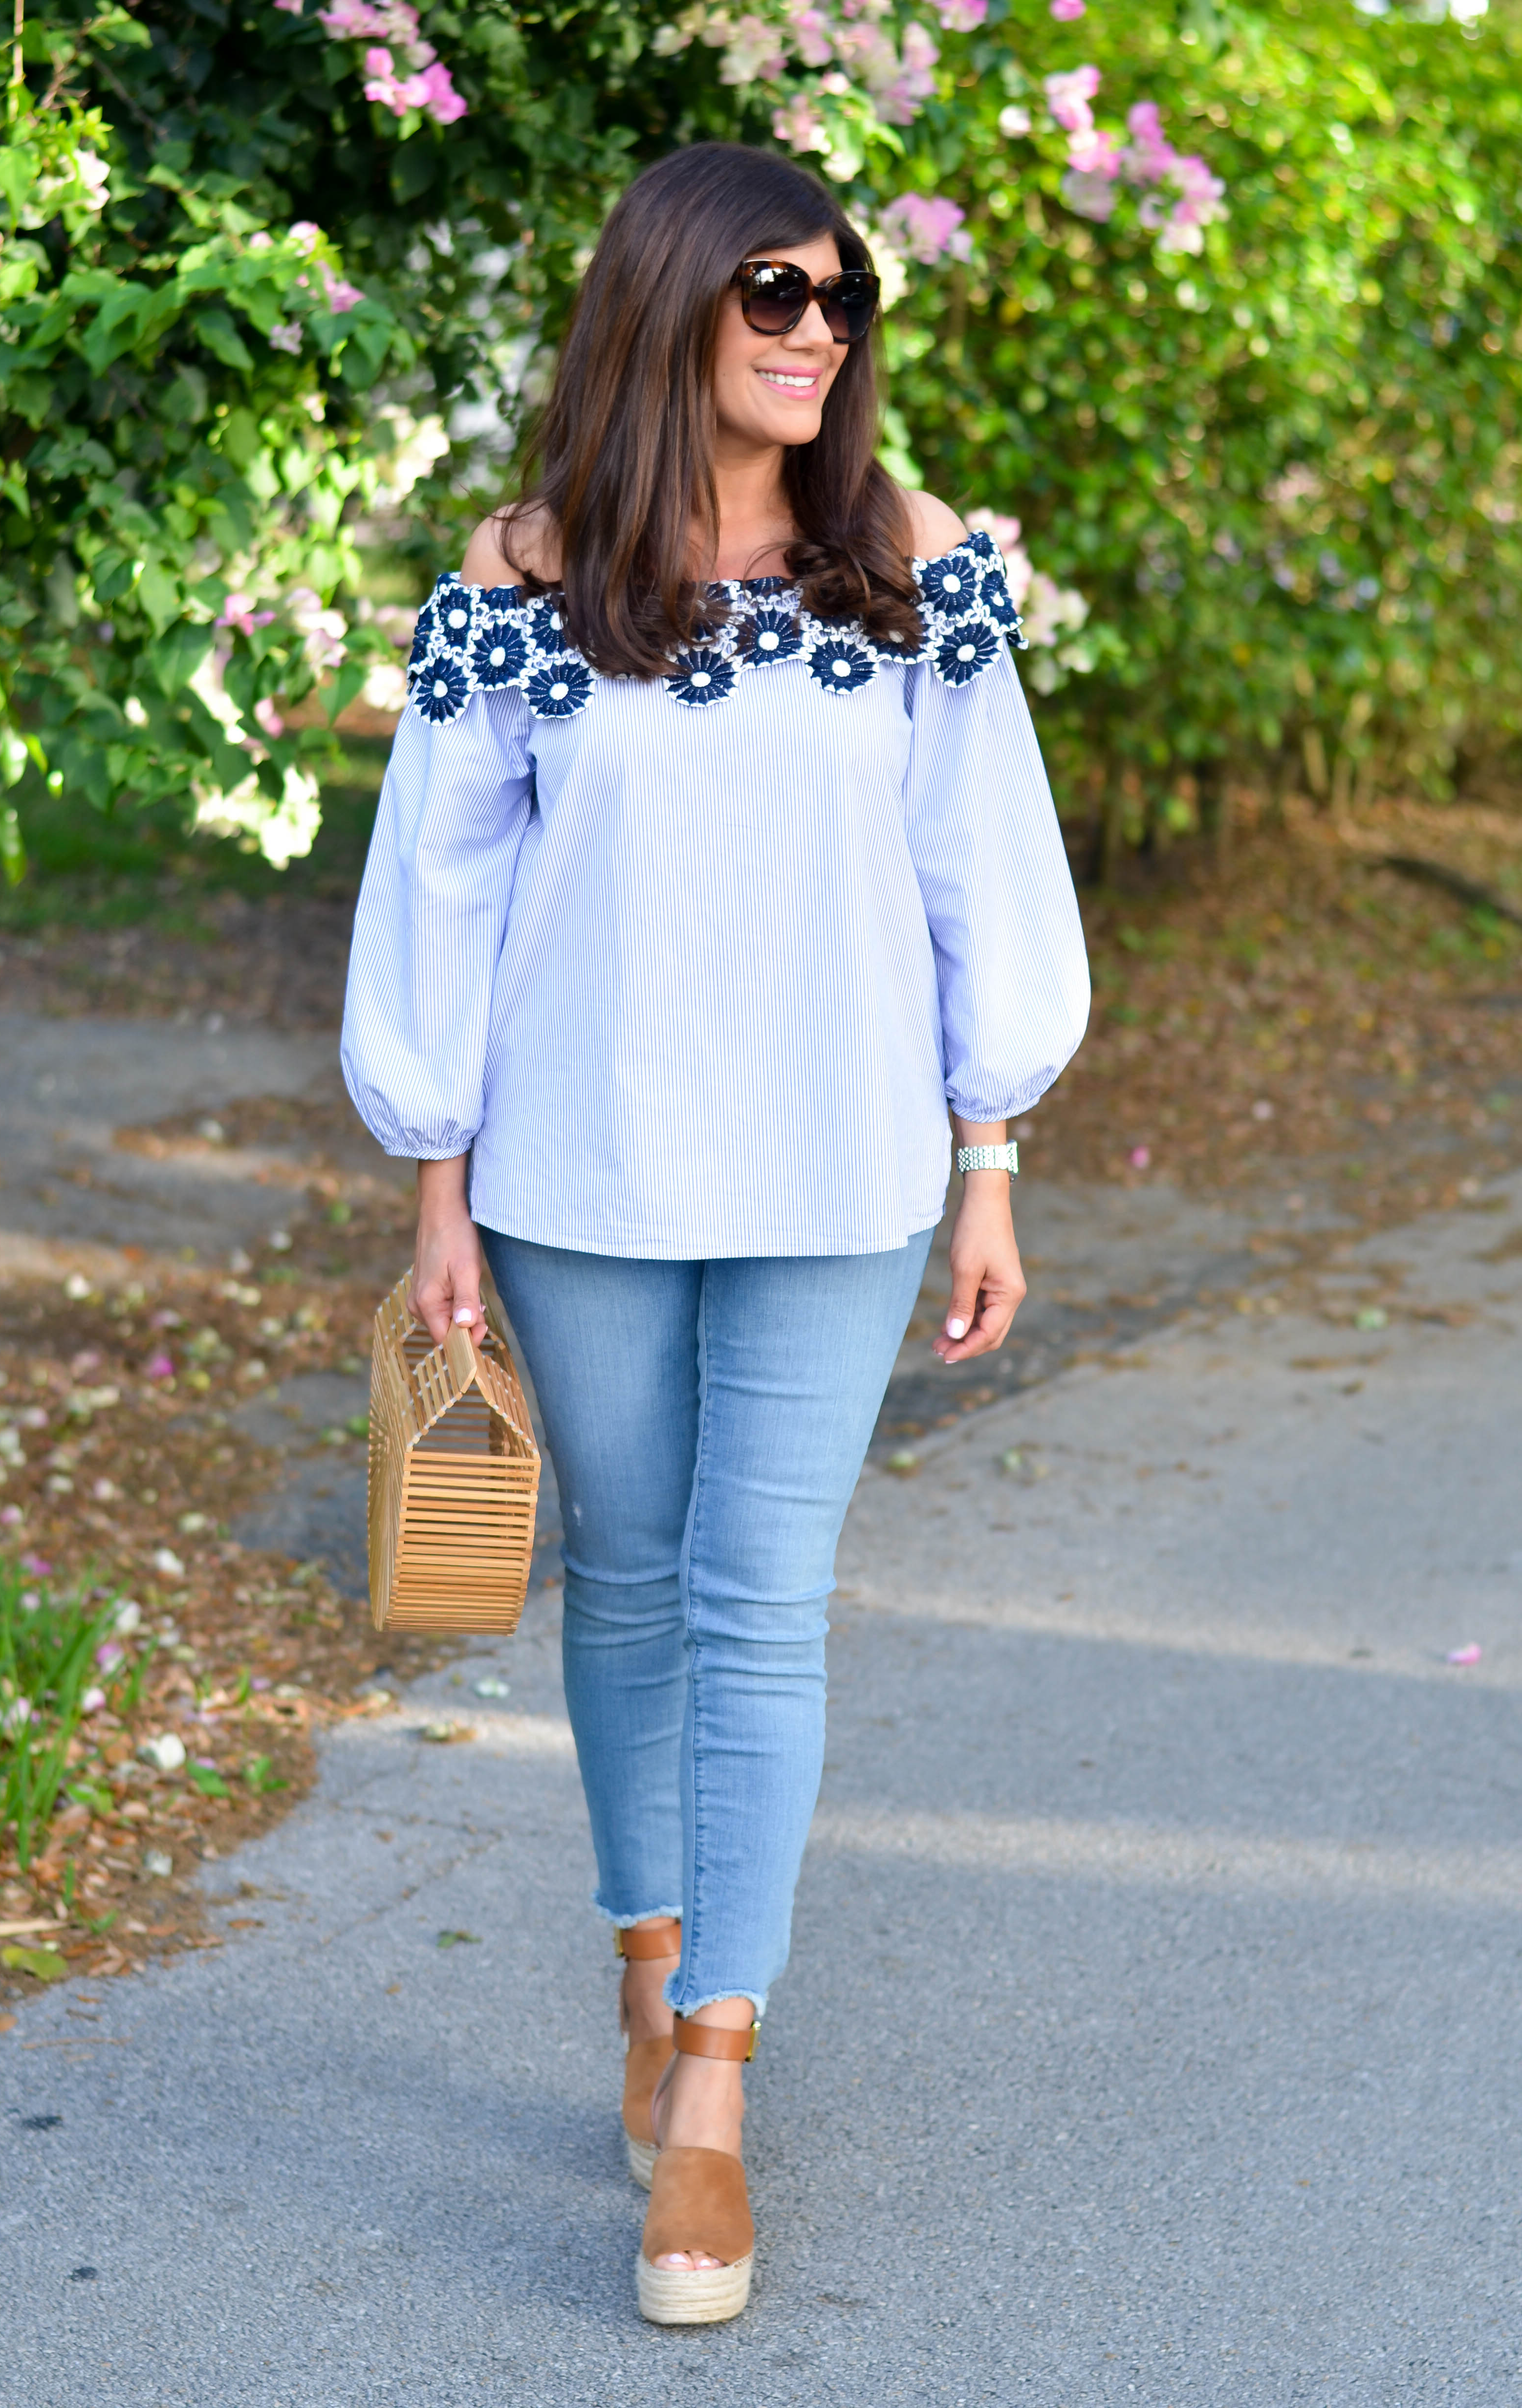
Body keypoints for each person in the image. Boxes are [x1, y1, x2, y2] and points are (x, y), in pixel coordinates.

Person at [341, 139, 1089, 2326]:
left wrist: (993, 1156)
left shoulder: (911, 569)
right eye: (774, 293)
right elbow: (445, 896)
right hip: (577, 1175)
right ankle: (648, 1975)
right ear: (669, 302)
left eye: (841, 298)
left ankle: (715, 2106)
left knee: (763, 1607)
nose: (816, 332)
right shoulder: (527, 576)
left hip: (844, 1170)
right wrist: (436, 1180)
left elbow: (988, 876)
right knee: (632, 1583)